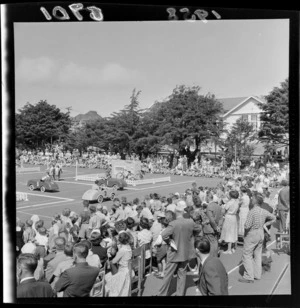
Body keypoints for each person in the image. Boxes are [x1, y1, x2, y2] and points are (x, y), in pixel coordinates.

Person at [156, 201, 202, 296]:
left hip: (174, 253)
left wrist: (170, 242)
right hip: (185, 252)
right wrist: (192, 236)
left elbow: (163, 235)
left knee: (168, 275)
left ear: (176, 212)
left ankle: (162, 294)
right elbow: (199, 229)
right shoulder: (190, 222)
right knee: (182, 274)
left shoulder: (173, 223)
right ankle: (180, 293)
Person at [239, 193, 276, 283]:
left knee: (247, 254)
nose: (251, 200)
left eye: (252, 199)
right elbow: (273, 217)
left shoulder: (252, 211)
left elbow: (247, 225)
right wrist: (265, 224)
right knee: (257, 254)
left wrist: (244, 228)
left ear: (254, 201)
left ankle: (249, 276)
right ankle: (257, 274)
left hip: (252, 233)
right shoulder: (263, 211)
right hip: (260, 233)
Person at [104, 232, 133, 296]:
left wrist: (109, 262)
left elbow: (114, 261)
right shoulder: (128, 247)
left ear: (120, 241)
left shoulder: (122, 250)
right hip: (128, 269)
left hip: (123, 271)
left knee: (107, 278)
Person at [203, 193, 223, 258]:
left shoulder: (209, 206)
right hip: (216, 227)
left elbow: (211, 219)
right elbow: (221, 218)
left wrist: (215, 227)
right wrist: (219, 226)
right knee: (215, 242)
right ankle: (215, 255)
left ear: (208, 198)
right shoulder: (218, 206)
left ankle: (212, 257)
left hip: (210, 228)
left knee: (212, 243)